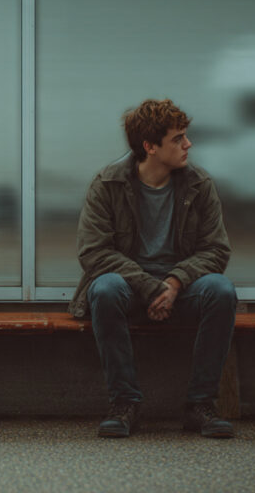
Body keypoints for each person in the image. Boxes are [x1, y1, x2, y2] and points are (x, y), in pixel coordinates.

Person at [72, 98, 237, 439]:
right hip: (131, 287)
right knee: (103, 289)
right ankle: (124, 404)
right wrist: (151, 286)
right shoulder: (108, 183)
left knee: (221, 291)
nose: (188, 144)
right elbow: (94, 252)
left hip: (182, 287)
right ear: (149, 146)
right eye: (178, 138)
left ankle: (201, 406)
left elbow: (216, 249)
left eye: (185, 136)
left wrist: (174, 282)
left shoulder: (198, 183)